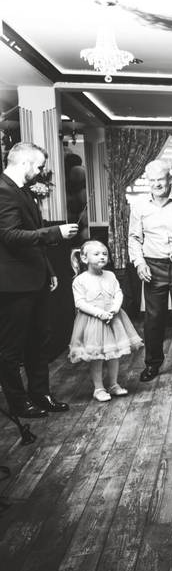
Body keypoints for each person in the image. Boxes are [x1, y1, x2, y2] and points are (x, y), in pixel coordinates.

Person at [0, 142, 77, 418]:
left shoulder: (21, 191)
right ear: (25, 164)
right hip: (13, 285)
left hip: (35, 278)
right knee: (11, 349)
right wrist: (55, 232)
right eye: (39, 166)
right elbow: (9, 236)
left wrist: (49, 270)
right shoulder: (3, 191)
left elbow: (29, 235)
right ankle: (19, 404)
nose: (40, 171)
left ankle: (41, 394)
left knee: (37, 340)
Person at [128, 160, 172, 382]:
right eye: (152, 180)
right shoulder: (139, 205)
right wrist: (139, 263)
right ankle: (152, 364)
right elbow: (134, 237)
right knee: (153, 319)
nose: (157, 184)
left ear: (170, 179)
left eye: (161, 179)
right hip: (153, 266)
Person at [67, 240, 142, 401]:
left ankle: (114, 384)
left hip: (113, 319)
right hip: (93, 322)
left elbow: (118, 293)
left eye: (105, 254)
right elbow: (79, 303)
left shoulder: (111, 275)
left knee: (114, 354)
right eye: (97, 254)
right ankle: (99, 388)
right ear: (84, 258)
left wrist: (114, 308)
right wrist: (100, 313)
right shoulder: (80, 280)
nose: (102, 257)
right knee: (97, 356)